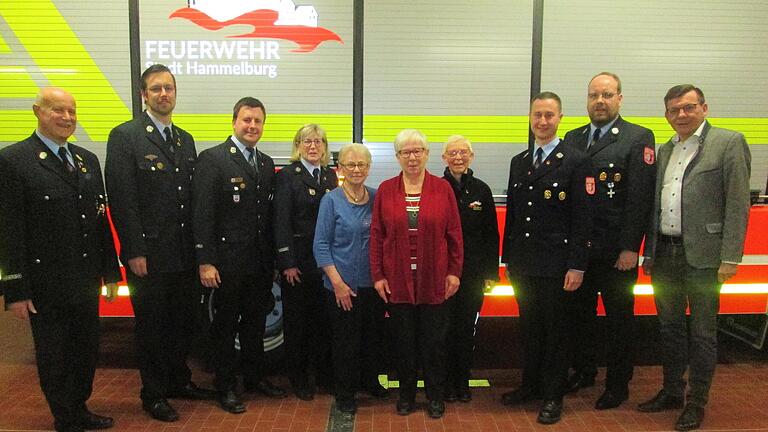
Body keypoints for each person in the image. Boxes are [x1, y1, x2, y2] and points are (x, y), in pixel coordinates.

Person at [0, 87, 121, 432]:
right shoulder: (14, 160)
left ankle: (79, 407)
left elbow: (99, 223)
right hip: (46, 284)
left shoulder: (86, 160)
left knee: (86, 351)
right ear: (38, 111)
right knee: (54, 355)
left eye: (71, 111)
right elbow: (10, 230)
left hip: (84, 280)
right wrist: (16, 290)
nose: (67, 118)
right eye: (58, 110)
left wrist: (110, 273)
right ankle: (65, 417)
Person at [105, 64, 215, 422]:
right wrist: (134, 250)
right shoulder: (126, 136)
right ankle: (152, 394)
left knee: (183, 322)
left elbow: (192, 199)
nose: (163, 94)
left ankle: (178, 381)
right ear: (143, 95)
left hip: (182, 253)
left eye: (169, 88)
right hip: (149, 255)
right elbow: (123, 199)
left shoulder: (185, 139)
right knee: (151, 327)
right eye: (156, 89)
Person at [639, 85, 751, 431]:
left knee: (703, 333)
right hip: (666, 254)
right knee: (669, 329)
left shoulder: (729, 143)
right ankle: (673, 390)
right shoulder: (665, 149)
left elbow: (737, 203)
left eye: (688, 108)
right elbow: (655, 207)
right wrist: (649, 252)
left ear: (704, 107)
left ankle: (696, 401)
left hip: (704, 257)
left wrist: (730, 257)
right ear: (667, 115)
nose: (681, 115)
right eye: (674, 110)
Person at [562, 72, 657, 409]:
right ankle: (584, 371)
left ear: (620, 98)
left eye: (606, 95)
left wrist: (631, 247)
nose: (599, 101)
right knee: (580, 318)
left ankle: (618, 384)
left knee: (619, 321)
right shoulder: (571, 138)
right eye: (593, 95)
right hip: (580, 253)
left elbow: (640, 198)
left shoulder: (638, 137)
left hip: (616, 252)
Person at [500, 92, 593, 425]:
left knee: (556, 332)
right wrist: (507, 259)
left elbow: (584, 218)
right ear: (529, 117)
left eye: (549, 115)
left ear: (560, 119)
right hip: (524, 264)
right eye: (537, 115)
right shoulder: (520, 161)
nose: (542, 121)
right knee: (530, 329)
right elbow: (514, 214)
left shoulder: (576, 160)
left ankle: (553, 396)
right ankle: (531, 386)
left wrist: (577, 265)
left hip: (558, 266)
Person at [192, 97, 286, 413]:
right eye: (247, 120)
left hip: (259, 265)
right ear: (234, 122)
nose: (252, 126)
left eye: (258, 121)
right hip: (227, 264)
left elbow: (268, 217)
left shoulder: (264, 163)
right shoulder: (213, 159)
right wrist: (205, 260)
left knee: (255, 326)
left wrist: (273, 261)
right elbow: (202, 213)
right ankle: (226, 386)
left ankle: (254, 378)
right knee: (225, 327)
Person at [369, 129, 463, 419]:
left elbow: (455, 235)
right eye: (405, 152)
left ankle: (435, 395)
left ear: (427, 154)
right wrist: (378, 276)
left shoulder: (443, 188)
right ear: (397, 157)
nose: (412, 157)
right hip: (397, 282)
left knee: (434, 344)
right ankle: (407, 395)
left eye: (417, 151)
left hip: (434, 281)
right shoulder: (385, 189)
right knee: (404, 344)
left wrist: (454, 273)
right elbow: (376, 236)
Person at [313, 143, 389, 415]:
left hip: (374, 285)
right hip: (342, 287)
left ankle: (370, 382)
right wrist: (338, 284)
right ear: (340, 169)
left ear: (369, 168)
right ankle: (345, 393)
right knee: (345, 343)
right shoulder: (331, 200)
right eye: (350, 165)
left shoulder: (378, 196)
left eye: (362, 165)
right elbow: (321, 245)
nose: (357, 170)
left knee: (372, 339)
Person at [274, 124, 338, 401]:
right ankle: (298, 378)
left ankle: (323, 374)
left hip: (325, 263)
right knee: (298, 323)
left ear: (324, 147)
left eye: (318, 142)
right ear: (297, 145)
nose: (313, 146)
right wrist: (287, 261)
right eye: (307, 141)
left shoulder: (330, 175)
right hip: (298, 262)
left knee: (323, 321)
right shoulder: (288, 176)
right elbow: (280, 221)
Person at [440, 135, 499, 403]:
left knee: (466, 330)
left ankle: (461, 382)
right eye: (452, 153)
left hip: (473, 274)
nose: (458, 157)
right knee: (442, 329)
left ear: (471, 157)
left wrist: (490, 273)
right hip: (441, 275)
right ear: (444, 158)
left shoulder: (482, 190)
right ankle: (443, 382)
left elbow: (491, 235)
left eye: (463, 152)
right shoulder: (436, 188)